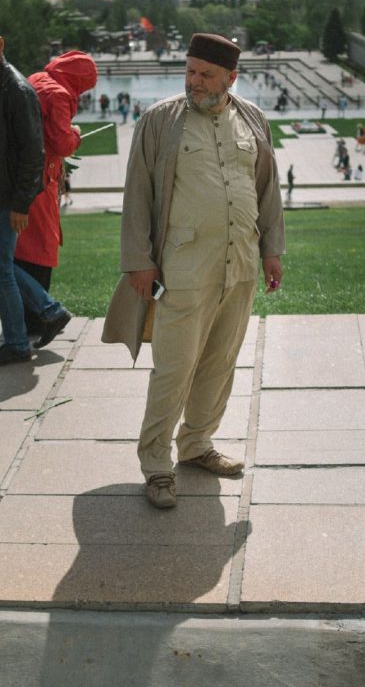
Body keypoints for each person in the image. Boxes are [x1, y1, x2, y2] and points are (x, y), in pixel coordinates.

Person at [101, 33, 284, 510]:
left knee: (220, 363)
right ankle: (157, 466)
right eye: (190, 70)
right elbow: (137, 192)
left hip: (240, 262)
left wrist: (271, 251)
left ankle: (197, 444)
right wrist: (139, 261)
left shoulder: (252, 119)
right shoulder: (161, 121)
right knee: (174, 368)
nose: (194, 81)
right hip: (184, 267)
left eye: (205, 74)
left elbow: (267, 190)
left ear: (230, 78)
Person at [0, 21, 72, 366]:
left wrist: (22, 203)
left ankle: (20, 341)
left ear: (0, 44)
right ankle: (49, 311)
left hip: (7, 195)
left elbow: (33, 153)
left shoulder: (17, 90)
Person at [14, 50, 96, 334]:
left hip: (21, 177)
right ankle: (41, 316)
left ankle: (25, 318)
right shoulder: (59, 94)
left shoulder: (37, 78)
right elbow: (61, 143)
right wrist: (75, 132)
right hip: (40, 181)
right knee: (41, 250)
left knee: (19, 251)